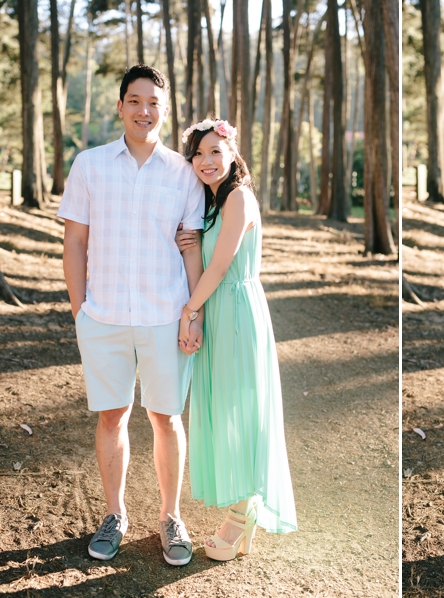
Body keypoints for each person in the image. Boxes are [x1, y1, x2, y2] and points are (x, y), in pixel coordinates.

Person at [60, 64, 205, 566]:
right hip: (105, 317)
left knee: (166, 417)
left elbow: (191, 250)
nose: (145, 111)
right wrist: (82, 312)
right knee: (112, 415)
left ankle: (170, 517)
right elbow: (75, 241)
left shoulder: (183, 173)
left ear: (165, 112)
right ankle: (115, 514)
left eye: (154, 104)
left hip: (166, 314)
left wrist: (194, 314)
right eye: (136, 101)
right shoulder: (90, 165)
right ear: (120, 106)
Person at [174, 118, 297, 561]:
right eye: (198, 154)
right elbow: (204, 261)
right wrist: (190, 248)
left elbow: (222, 266)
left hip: (239, 313)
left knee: (241, 412)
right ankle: (240, 510)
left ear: (232, 155)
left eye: (215, 152)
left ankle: (241, 519)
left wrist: (189, 312)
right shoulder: (211, 203)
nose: (206, 161)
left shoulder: (239, 198)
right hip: (218, 310)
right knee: (223, 408)